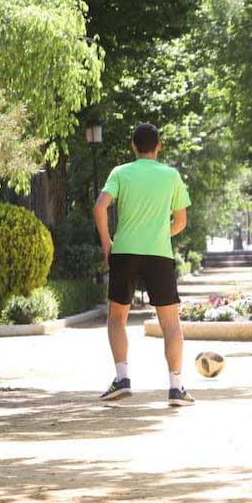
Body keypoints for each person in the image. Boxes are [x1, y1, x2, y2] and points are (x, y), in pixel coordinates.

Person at [93, 123, 193, 406]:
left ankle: (122, 379)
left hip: (124, 252)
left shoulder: (121, 172)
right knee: (170, 322)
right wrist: (161, 233)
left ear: (133, 146)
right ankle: (176, 388)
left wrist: (106, 244)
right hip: (159, 255)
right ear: (159, 146)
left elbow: (100, 207)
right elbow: (181, 221)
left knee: (116, 318)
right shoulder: (171, 175)